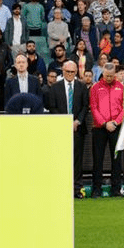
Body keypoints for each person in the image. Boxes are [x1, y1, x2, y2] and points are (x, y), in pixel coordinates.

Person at [47, 60, 89, 198]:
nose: (70, 74)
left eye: (72, 72)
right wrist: (64, 122)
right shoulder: (55, 87)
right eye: (67, 71)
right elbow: (52, 107)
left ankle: (76, 189)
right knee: (60, 159)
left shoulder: (82, 87)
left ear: (76, 72)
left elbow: (85, 106)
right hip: (60, 129)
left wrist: (78, 121)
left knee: (77, 160)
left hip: (77, 129)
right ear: (63, 71)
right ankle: (61, 189)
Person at [88, 63, 124, 198]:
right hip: (99, 128)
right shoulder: (95, 88)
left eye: (111, 76)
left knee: (116, 159)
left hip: (116, 127)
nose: (108, 78)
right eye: (106, 76)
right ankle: (96, 189)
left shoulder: (121, 87)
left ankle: (116, 189)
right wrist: (104, 123)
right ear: (102, 74)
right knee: (98, 160)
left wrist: (115, 122)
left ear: (115, 74)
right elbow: (94, 107)